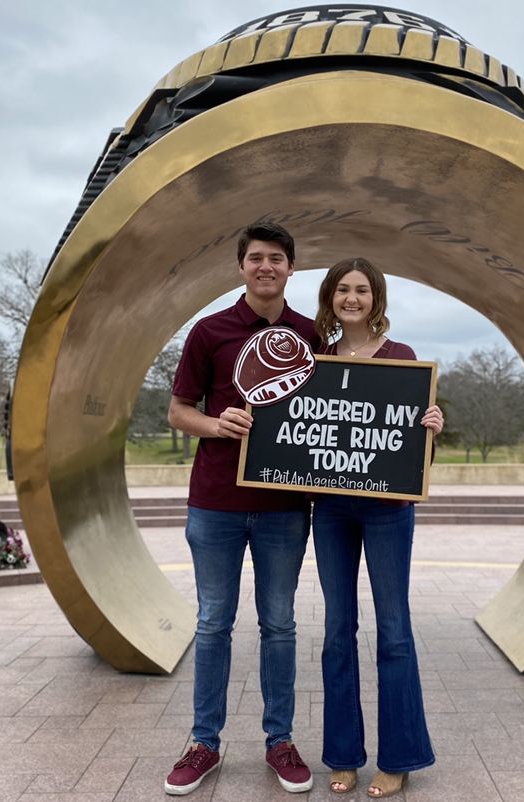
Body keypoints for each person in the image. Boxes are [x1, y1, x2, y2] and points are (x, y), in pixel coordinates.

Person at [165, 222, 318, 796]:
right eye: (256, 258)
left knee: (279, 625)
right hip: (216, 505)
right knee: (212, 624)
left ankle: (279, 740)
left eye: (277, 258)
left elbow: (349, 405)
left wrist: (420, 417)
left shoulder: (312, 335)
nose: (266, 267)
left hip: (284, 508)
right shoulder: (210, 332)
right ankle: (205, 742)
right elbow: (178, 410)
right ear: (241, 267)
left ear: (291, 269)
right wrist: (215, 424)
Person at [312, 257, 442, 798]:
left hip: (388, 509)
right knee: (338, 632)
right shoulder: (312, 360)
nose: (351, 298)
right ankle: (342, 756)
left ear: (376, 298)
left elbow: (416, 453)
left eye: (361, 290)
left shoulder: (401, 359)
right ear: (330, 297)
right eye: (342, 289)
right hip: (331, 510)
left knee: (394, 632)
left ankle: (400, 757)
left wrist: (431, 428)